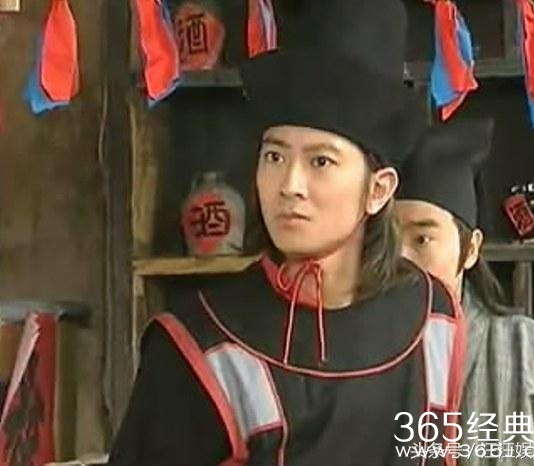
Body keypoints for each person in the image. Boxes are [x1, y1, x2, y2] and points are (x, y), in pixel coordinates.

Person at [107, 1, 467, 465]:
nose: (289, 185)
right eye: (274, 157)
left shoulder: (434, 320)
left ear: (378, 191)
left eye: (321, 161)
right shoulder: (200, 340)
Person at [395, 118, 534, 465]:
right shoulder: (355, 350)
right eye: (387, 239)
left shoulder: (529, 354)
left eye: (422, 239)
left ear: (471, 249)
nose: (400, 259)